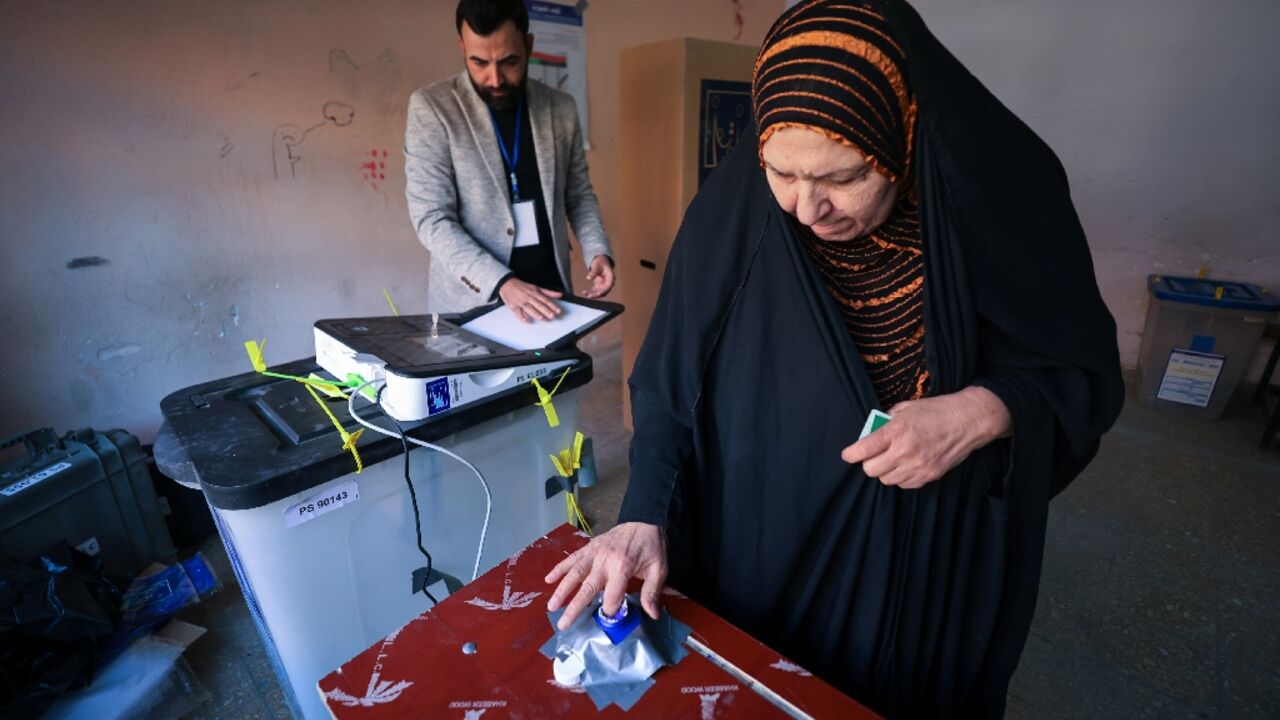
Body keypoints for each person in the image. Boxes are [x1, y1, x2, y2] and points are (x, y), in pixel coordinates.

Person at [544, 0, 1124, 717]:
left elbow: (1079, 370)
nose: (805, 209)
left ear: (904, 131)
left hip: (924, 563)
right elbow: (671, 383)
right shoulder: (734, 211)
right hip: (758, 538)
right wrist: (642, 513)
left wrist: (981, 411)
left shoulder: (1003, 196)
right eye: (782, 172)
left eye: (844, 177)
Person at [404, 0, 614, 322]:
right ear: (462, 47)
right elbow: (432, 219)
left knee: (562, 374)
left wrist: (597, 249)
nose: (495, 79)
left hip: (552, 295)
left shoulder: (560, 109)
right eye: (479, 62)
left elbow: (579, 194)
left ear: (529, 46)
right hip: (474, 303)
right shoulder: (433, 109)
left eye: (509, 61)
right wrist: (502, 282)